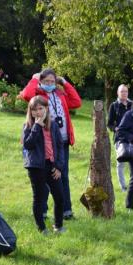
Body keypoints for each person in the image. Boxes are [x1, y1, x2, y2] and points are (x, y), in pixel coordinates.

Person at [19, 68, 82, 221]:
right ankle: (43, 211)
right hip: (44, 142)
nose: (49, 84)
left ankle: (66, 210)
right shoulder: (38, 94)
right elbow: (26, 95)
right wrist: (34, 79)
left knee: (62, 175)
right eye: (46, 81)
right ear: (41, 81)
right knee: (45, 177)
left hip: (62, 141)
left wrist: (65, 83)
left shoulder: (60, 94)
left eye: (52, 81)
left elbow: (77, 102)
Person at [22, 96, 68, 234]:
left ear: (47, 109)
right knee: (40, 198)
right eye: (34, 109)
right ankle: (41, 228)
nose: (37, 112)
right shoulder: (28, 126)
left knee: (59, 196)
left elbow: (60, 146)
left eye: (40, 108)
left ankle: (58, 226)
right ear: (30, 111)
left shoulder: (53, 125)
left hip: (52, 165)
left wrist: (59, 166)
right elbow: (28, 145)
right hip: (36, 167)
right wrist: (36, 126)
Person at [107, 84, 133, 193]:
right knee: (121, 163)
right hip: (120, 138)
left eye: (126, 91)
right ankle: (123, 187)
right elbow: (109, 124)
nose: (124, 93)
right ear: (118, 93)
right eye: (122, 91)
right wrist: (115, 129)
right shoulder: (114, 106)